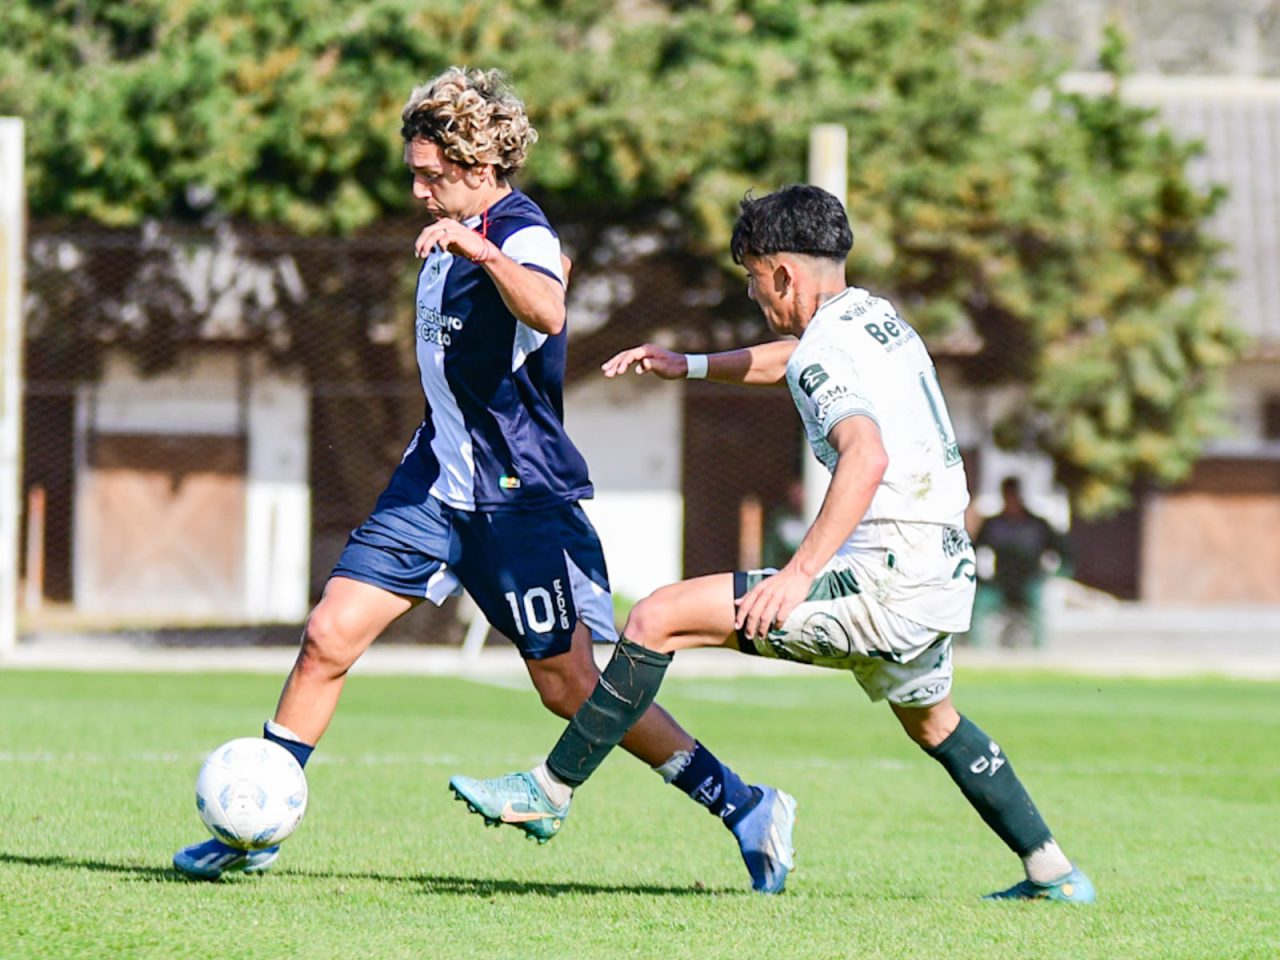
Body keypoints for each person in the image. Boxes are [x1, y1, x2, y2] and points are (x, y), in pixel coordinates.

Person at [173, 67, 791, 893]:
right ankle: (256, 830)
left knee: (571, 688)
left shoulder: (518, 231)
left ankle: (745, 805)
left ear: (478, 165)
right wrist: (462, 242)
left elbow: (548, 309)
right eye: (414, 174)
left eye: (431, 174)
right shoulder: (447, 235)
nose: (418, 190)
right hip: (433, 487)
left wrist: (485, 249)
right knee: (327, 636)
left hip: (519, 501)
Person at [452, 185, 1095, 903]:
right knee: (933, 721)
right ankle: (1053, 872)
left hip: (884, 579)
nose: (754, 294)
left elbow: (864, 454)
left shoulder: (826, 351)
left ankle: (550, 789)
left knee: (656, 618)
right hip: (938, 569)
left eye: (755, 278)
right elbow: (793, 359)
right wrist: (691, 364)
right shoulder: (872, 318)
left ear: (783, 274)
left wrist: (797, 574)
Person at [969, 476, 1070, 649]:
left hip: (1029, 582)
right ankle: (979, 651)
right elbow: (974, 549)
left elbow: (1063, 551)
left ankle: (1039, 651)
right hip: (1000, 582)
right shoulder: (994, 525)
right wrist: (979, 577)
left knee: (1038, 607)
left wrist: (1056, 574)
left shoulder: (1037, 525)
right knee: (980, 605)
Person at [761, 478, 809, 570]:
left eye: (800, 493)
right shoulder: (780, 520)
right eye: (794, 494)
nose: (797, 498)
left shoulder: (814, 514)